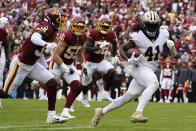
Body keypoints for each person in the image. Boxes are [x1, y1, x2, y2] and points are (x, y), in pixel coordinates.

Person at [91, 11, 177, 127]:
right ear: (143, 24)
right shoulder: (138, 36)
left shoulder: (164, 34)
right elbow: (122, 49)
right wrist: (128, 59)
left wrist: (172, 49)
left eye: (154, 25)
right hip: (139, 66)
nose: (152, 27)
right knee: (154, 83)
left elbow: (172, 55)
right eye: (150, 25)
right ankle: (138, 112)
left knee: (128, 96)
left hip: (149, 69)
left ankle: (101, 112)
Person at [0, 8, 68, 124]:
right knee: (5, 94)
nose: (62, 23)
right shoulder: (45, 25)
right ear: (52, 19)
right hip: (21, 65)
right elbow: (34, 38)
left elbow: (40, 53)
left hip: (32, 64)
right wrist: (46, 44)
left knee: (52, 82)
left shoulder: (52, 31)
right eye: (59, 20)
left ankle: (51, 116)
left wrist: (47, 69)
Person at [52, 16, 87, 119]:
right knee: (51, 83)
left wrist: (84, 65)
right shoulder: (66, 35)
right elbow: (56, 56)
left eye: (81, 27)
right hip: (58, 64)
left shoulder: (83, 37)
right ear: (72, 26)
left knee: (76, 85)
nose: (79, 29)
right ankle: (38, 82)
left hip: (70, 64)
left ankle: (65, 111)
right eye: (77, 27)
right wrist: (65, 68)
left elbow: (79, 52)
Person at [82, 16, 118, 103]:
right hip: (90, 61)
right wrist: (97, 48)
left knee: (112, 71)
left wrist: (114, 56)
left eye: (107, 27)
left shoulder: (111, 34)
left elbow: (114, 44)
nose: (105, 28)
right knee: (86, 82)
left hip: (101, 60)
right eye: (103, 26)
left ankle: (104, 89)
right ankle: (84, 98)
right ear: (99, 25)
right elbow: (87, 49)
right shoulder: (93, 33)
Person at [0, 17, 13, 109]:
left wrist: (9, 58)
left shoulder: (3, 32)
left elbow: (7, 44)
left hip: (0, 56)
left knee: (0, 79)